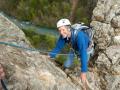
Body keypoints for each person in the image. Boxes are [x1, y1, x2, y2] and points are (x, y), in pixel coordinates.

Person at [48, 18, 93, 84]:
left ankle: (84, 78)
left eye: (63, 30)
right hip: (74, 49)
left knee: (83, 63)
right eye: (59, 30)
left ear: (68, 28)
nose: (61, 32)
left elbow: (83, 53)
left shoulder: (79, 36)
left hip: (86, 50)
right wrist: (50, 55)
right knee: (67, 63)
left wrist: (83, 72)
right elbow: (58, 47)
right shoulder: (63, 35)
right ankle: (65, 71)